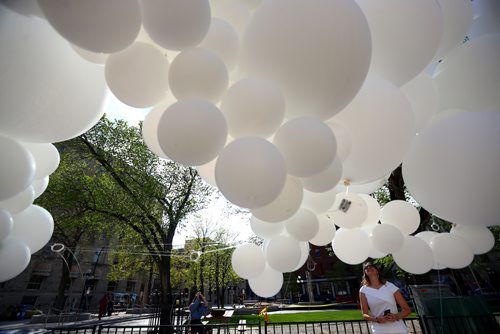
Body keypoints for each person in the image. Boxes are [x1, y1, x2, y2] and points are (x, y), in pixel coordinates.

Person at [359, 262, 411, 334]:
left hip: (398, 328)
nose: (368, 268)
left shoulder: (390, 286)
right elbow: (365, 315)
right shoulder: (363, 290)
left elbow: (407, 310)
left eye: (371, 266)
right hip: (379, 330)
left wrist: (396, 316)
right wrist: (376, 319)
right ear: (365, 273)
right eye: (366, 268)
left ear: (377, 271)